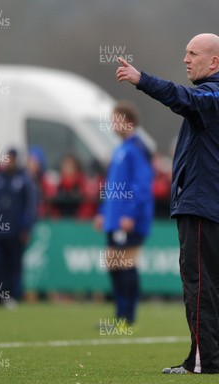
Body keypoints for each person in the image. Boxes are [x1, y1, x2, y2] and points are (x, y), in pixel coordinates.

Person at [116, 33, 219, 375]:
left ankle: (202, 361)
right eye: (185, 52)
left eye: (193, 53)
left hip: (202, 205)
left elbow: (181, 98)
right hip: (218, 205)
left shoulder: (215, 95)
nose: (185, 59)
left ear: (214, 62)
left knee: (199, 284)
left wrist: (142, 80)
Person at [93, 101, 154, 329]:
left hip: (128, 220)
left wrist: (130, 214)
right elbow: (112, 187)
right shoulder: (120, 149)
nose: (112, 124)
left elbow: (142, 184)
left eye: (116, 119)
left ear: (129, 121)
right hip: (114, 218)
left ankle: (127, 317)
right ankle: (120, 315)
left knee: (126, 262)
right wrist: (103, 212)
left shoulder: (137, 148)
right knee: (113, 263)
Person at [0, 148, 37, 307]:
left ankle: (12, 296)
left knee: (14, 264)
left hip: (15, 230)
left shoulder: (24, 179)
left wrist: (27, 227)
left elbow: (30, 205)